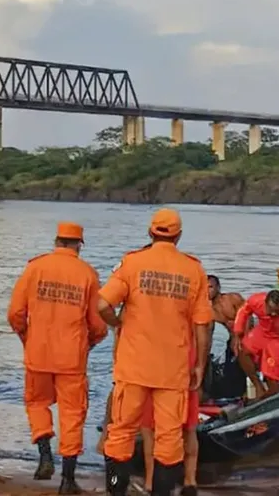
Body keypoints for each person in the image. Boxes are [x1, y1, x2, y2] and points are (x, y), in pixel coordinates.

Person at [97, 208, 212, 496]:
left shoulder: (132, 263)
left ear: (150, 232)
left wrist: (119, 323)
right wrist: (198, 365)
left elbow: (101, 306)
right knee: (169, 438)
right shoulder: (193, 269)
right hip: (172, 371)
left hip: (133, 366)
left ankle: (115, 491)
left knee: (121, 432)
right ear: (179, 236)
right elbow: (202, 323)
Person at [7, 222, 107, 494]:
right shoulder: (88, 274)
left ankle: (44, 455)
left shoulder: (34, 268)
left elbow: (15, 313)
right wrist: (90, 343)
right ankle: (67, 480)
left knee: (37, 403)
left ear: (56, 240)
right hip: (72, 358)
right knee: (72, 415)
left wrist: (27, 338)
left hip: (37, 353)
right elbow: (98, 324)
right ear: (79, 244)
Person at [139, 330, 200, 495]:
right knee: (188, 427)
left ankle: (151, 482)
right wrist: (200, 364)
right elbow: (202, 330)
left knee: (149, 430)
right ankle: (189, 481)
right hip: (183, 360)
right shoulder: (191, 308)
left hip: (152, 365)